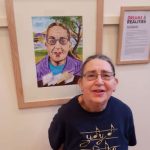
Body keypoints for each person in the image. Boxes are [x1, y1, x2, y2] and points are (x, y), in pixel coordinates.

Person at [48, 54, 137, 150]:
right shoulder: (65, 115)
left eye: (106, 75)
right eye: (91, 75)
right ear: (81, 83)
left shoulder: (124, 112)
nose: (99, 82)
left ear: (115, 83)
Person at [36, 22, 82, 87]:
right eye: (52, 41)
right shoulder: (37, 70)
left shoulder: (80, 67)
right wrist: (61, 77)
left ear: (69, 45)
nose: (57, 46)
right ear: (46, 45)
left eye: (63, 41)